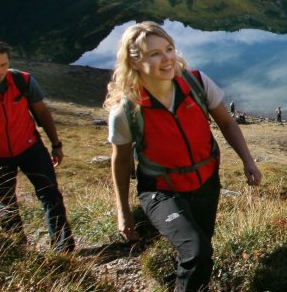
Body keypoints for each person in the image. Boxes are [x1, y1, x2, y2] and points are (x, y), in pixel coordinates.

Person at [104, 21, 262, 292]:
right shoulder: (125, 111)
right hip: (160, 190)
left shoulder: (197, 83)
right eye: (154, 53)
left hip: (206, 183)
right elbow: (119, 161)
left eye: (169, 49)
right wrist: (123, 211)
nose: (167, 58)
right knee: (196, 251)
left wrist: (248, 160)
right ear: (135, 61)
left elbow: (227, 123)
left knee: (202, 249)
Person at [0, 39, 75, 252]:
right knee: (6, 205)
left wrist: (56, 144)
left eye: (4, 64)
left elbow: (42, 112)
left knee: (51, 195)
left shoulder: (23, 81)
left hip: (30, 148)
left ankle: (63, 249)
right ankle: (18, 251)